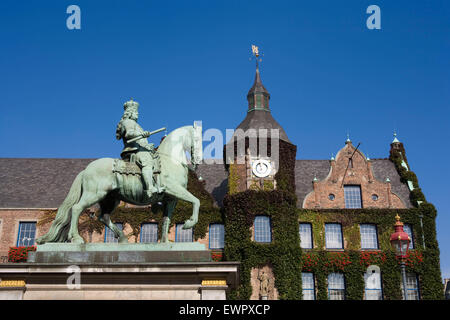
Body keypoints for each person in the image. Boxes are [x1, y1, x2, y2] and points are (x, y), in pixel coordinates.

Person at [115, 98, 164, 199]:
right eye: (136, 112)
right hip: (134, 151)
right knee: (147, 162)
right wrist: (141, 134)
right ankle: (150, 188)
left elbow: (140, 141)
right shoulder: (128, 122)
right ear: (130, 113)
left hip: (140, 149)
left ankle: (157, 184)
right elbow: (129, 134)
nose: (137, 114)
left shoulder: (136, 124)